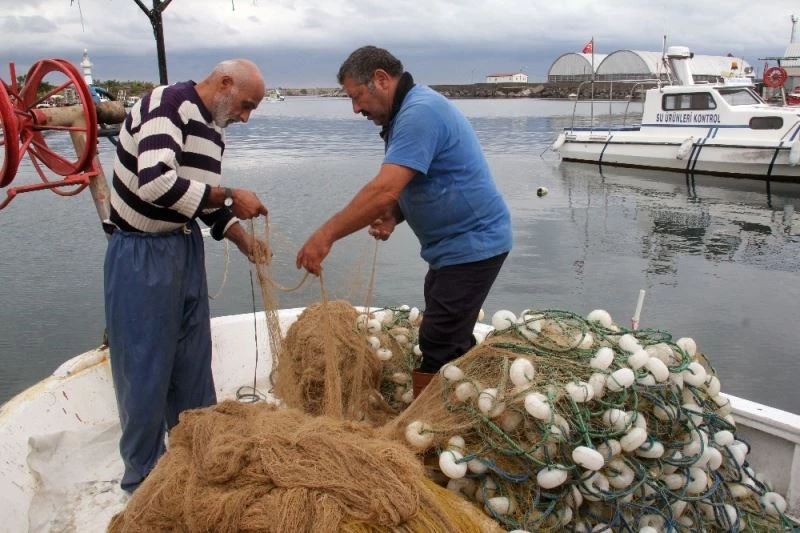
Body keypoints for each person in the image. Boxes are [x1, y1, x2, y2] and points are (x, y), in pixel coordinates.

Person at [296, 46, 512, 396]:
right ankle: (468, 398)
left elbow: (384, 189)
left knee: (438, 339)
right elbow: (417, 183)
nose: (356, 109)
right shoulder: (405, 114)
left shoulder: (420, 112)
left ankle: (432, 431)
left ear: (381, 79)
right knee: (447, 332)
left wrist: (326, 235)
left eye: (357, 97)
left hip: (475, 243)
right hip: (451, 248)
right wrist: (395, 215)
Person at [104, 58, 269, 493]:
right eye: (246, 105)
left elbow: (198, 202)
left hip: (184, 246)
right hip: (141, 254)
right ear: (225, 82)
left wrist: (241, 238)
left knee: (194, 360)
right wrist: (234, 193)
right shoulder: (167, 104)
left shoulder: (214, 129)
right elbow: (156, 184)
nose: (246, 117)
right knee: (144, 367)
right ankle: (143, 479)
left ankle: (199, 456)